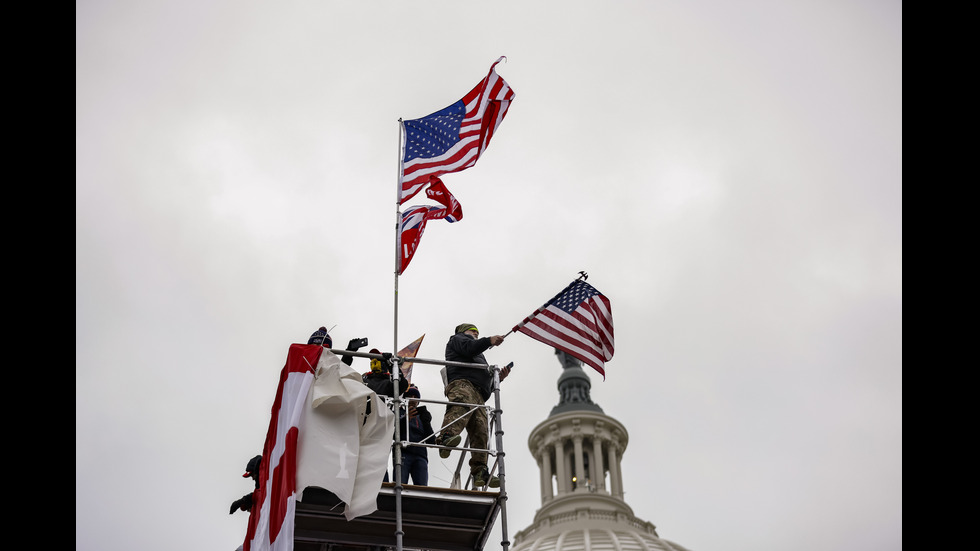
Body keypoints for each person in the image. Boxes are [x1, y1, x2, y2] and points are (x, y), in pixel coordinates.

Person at [436, 323, 512, 488]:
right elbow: (470, 348)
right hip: (463, 383)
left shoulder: (478, 353)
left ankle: (480, 470)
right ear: (464, 332)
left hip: (479, 394)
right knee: (461, 406)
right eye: (473, 332)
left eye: (478, 333)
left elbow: (485, 382)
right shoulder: (458, 339)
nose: (476, 335)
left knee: (481, 430)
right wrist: (489, 340)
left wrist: (499, 380)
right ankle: (446, 437)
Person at [398, 385, 434, 485]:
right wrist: (405, 419)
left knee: (422, 490)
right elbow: (392, 433)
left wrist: (426, 423)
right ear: (404, 398)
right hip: (402, 453)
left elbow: (431, 442)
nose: (413, 399)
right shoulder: (397, 412)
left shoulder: (422, 416)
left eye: (415, 397)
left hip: (420, 455)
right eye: (410, 396)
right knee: (400, 485)